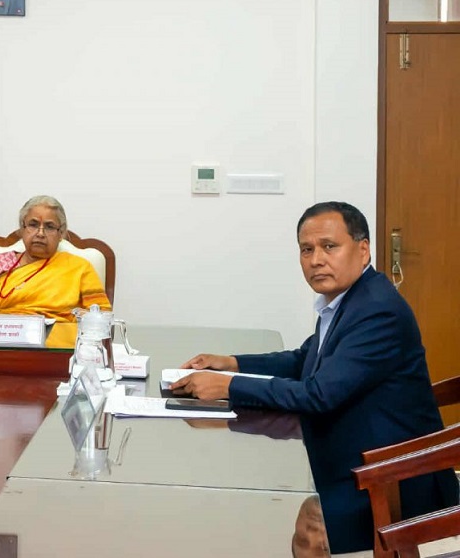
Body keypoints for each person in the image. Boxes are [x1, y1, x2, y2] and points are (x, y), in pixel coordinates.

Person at [172, 201, 459, 553]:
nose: (316, 260)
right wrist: (231, 363)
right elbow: (303, 360)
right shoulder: (349, 300)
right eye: (306, 250)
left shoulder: (377, 311)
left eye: (329, 246)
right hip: (359, 458)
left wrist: (228, 386)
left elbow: (318, 394)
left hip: (393, 480)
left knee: (282, 521)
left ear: (363, 250)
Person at [0, 195, 111, 348]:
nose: (40, 233)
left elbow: (101, 319)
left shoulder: (79, 268)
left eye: (49, 227)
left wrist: (83, 319)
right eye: (33, 224)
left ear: (61, 234)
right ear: (22, 229)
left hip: (56, 352)